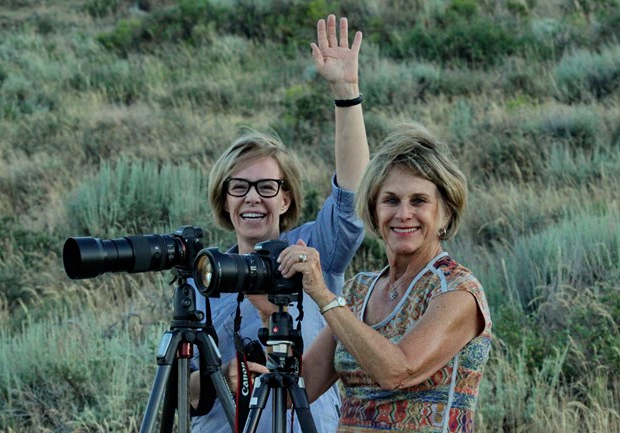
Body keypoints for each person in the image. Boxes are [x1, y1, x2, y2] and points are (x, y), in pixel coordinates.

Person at [188, 15, 369, 433]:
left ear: (286, 196)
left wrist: (346, 94)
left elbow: (353, 200)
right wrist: (221, 379)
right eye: (240, 187)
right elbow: (185, 391)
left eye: (267, 186)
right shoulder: (206, 276)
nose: (253, 197)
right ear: (224, 197)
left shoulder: (310, 248)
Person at [273, 121, 492, 432]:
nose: (403, 214)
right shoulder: (360, 289)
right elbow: (300, 388)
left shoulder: (457, 291)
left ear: (445, 211)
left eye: (419, 201)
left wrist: (322, 294)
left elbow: (397, 371)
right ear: (374, 211)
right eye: (390, 200)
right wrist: (269, 309)